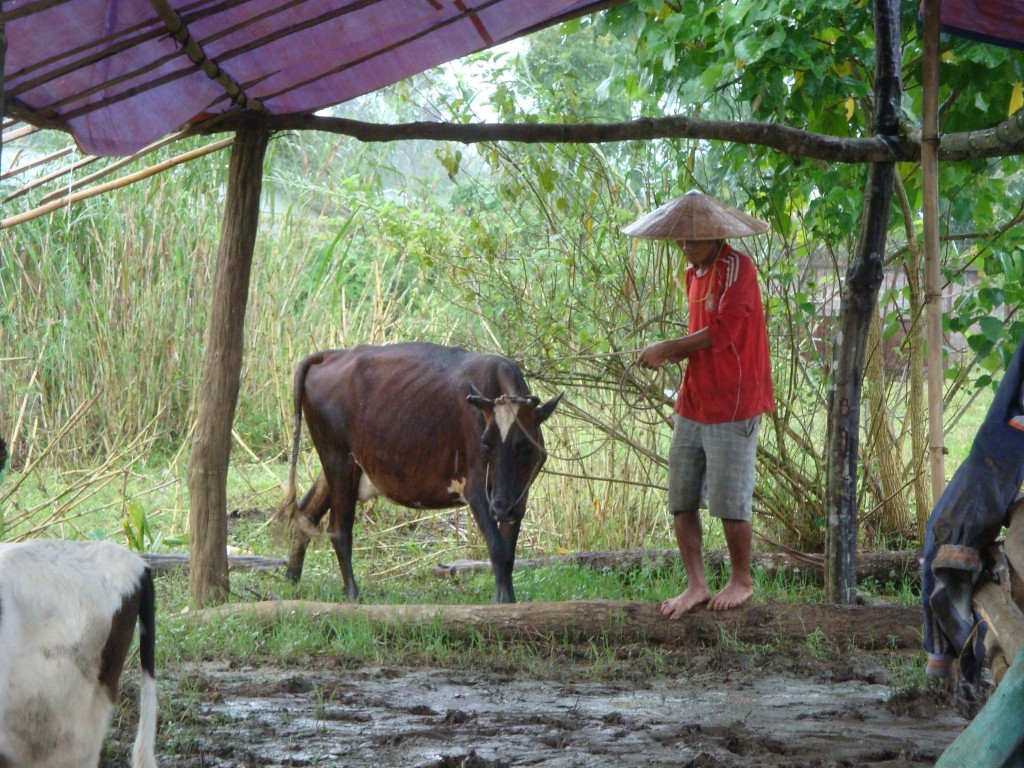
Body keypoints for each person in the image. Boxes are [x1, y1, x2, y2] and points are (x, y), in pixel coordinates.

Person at [623, 190, 775, 618]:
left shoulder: (738, 269)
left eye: (693, 238)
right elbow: (700, 335)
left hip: (733, 400)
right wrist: (672, 354)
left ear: (716, 235)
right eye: (681, 239)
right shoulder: (693, 273)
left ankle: (741, 580)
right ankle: (696, 584)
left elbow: (722, 331)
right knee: (682, 496)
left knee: (730, 501)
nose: (685, 246)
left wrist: (669, 347)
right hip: (694, 400)